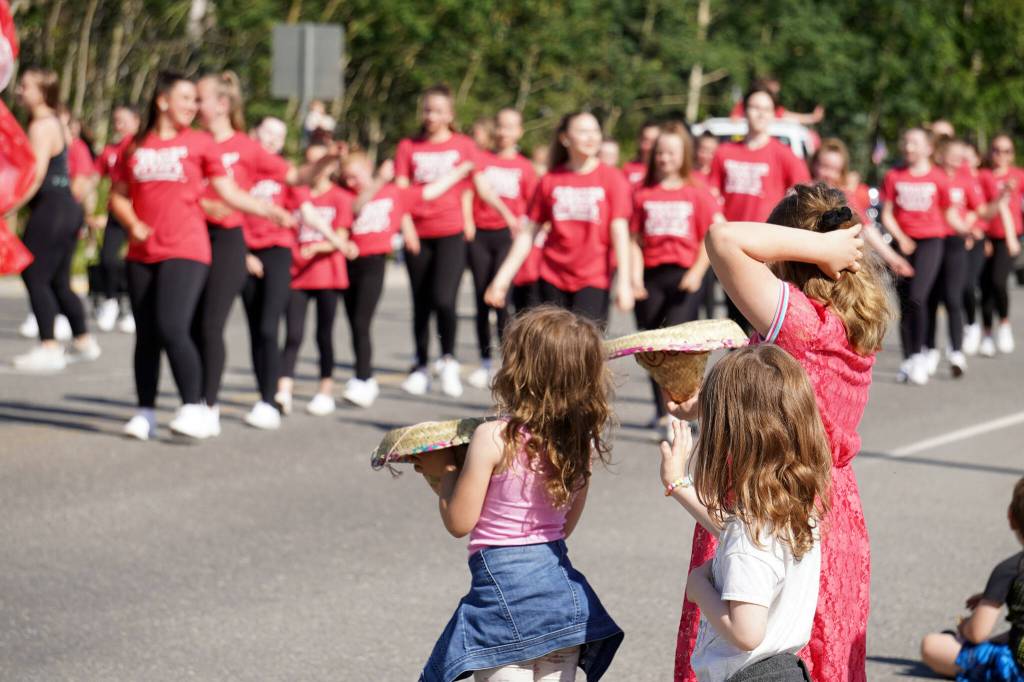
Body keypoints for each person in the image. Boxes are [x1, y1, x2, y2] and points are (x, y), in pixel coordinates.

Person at [672, 183, 894, 682]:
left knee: (746, 652)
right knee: (822, 653)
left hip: (770, 494)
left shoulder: (799, 320)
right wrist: (710, 405)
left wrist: (820, 247)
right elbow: (794, 403)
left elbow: (723, 239)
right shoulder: (851, 318)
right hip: (833, 505)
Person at [412, 306, 623, 682]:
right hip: (560, 597)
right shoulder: (580, 442)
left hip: (505, 597)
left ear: (518, 371)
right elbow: (563, 526)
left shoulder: (493, 437)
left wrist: (443, 472)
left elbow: (460, 522)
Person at [109, 71, 293, 441]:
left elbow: (227, 191)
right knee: (146, 335)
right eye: (186, 99)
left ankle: (195, 405)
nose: (193, 107)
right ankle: (145, 412)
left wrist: (264, 209)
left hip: (187, 248)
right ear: (162, 101)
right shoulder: (134, 145)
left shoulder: (201, 143)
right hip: (142, 251)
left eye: (196, 100)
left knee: (174, 325)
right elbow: (117, 194)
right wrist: (132, 223)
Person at [660, 345, 831, 681]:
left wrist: (698, 587)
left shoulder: (748, 535)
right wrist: (678, 485)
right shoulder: (793, 510)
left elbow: (746, 632)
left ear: (730, 440)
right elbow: (743, 539)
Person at [338, 151, 475, 408]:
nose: (352, 182)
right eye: (347, 178)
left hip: (373, 263)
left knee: (361, 321)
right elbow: (355, 206)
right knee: (353, 324)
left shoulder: (394, 193)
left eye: (355, 176)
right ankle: (362, 377)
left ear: (368, 166)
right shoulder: (347, 195)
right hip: (347, 265)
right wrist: (376, 181)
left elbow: (431, 191)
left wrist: (459, 172)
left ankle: (364, 378)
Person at [394, 84, 505, 399]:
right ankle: (419, 366)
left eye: (438, 110)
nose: (431, 116)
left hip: (451, 232)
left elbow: (482, 187)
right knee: (421, 303)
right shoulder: (408, 146)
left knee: (445, 299)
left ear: (450, 114)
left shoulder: (463, 146)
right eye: (427, 109)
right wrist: (407, 229)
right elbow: (401, 194)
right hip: (418, 233)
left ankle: (448, 360)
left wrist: (507, 214)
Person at [485, 111, 635, 326]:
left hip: (594, 278)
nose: (591, 137)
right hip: (552, 277)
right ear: (565, 138)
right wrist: (502, 278)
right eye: (583, 132)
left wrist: (624, 283)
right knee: (554, 352)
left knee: (586, 352)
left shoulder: (612, 179)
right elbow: (528, 233)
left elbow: (620, 233)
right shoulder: (550, 180)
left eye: (595, 131)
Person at [631, 122, 721, 431]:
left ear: (683, 154)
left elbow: (712, 234)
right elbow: (633, 238)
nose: (663, 158)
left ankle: (685, 411)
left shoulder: (696, 191)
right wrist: (633, 278)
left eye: (670, 152)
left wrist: (697, 272)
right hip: (651, 276)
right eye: (659, 152)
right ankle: (662, 412)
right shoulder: (642, 191)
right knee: (652, 348)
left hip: (684, 277)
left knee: (680, 349)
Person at [11, 67, 101, 372]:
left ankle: (48, 346)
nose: (20, 90)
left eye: (26, 86)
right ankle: (84, 340)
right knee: (59, 280)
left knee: (34, 274)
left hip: (52, 207)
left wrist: (9, 206)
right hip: (66, 207)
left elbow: (35, 175)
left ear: (42, 91)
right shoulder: (56, 121)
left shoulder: (42, 123)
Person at [707, 85, 811, 330]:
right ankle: (739, 367)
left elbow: (803, 195)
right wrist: (719, 221)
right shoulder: (725, 152)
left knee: (765, 320)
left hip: (768, 248)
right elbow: (712, 194)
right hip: (733, 244)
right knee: (736, 321)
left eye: (766, 109)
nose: (760, 114)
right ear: (744, 111)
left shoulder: (784, 154)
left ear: (774, 114)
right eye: (754, 107)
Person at [881, 128, 978, 385]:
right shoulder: (893, 175)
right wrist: (901, 238)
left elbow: (949, 214)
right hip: (904, 243)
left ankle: (922, 355)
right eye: (906, 141)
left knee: (918, 297)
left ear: (928, 149)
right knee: (904, 301)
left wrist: (965, 229)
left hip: (931, 242)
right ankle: (909, 358)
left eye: (915, 143)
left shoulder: (938, 178)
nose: (908, 146)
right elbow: (887, 214)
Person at [276, 146, 356, 417]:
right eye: (310, 161)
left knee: (324, 334)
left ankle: (324, 390)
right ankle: (283, 389)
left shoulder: (341, 197)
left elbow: (341, 235)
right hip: (298, 274)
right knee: (293, 334)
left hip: (327, 274)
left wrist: (320, 247)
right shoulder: (297, 193)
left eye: (321, 162)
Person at [920, 477, 1024, 680]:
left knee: (932, 645)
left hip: (1017, 667)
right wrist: (994, 595)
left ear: (1011, 517)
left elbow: (978, 632)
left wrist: (964, 626)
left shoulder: (1011, 569)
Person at [467, 108, 537, 389]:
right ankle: (484, 361)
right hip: (482, 235)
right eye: (500, 126)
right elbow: (470, 192)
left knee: (502, 301)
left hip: (509, 237)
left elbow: (534, 207)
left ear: (519, 132)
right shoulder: (481, 160)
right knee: (481, 299)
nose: (504, 132)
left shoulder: (525, 167)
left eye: (510, 127)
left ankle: (507, 361)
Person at [811, 137, 914, 277]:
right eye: (824, 167)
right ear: (814, 164)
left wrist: (893, 259)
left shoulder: (843, 196)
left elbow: (866, 227)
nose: (828, 174)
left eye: (835, 170)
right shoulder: (801, 193)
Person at [922, 137, 981, 377]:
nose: (959, 158)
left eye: (962, 154)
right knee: (930, 298)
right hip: (933, 242)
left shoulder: (966, 180)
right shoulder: (933, 177)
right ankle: (929, 350)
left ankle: (956, 352)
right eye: (954, 153)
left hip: (956, 243)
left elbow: (975, 209)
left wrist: (966, 227)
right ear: (941, 154)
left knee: (953, 297)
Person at [92, 105, 140, 333]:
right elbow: (93, 178)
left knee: (137, 261)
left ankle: (131, 307)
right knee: (108, 258)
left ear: (136, 120)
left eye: (123, 120)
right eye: (116, 120)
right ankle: (110, 300)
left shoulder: (143, 145)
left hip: (141, 213)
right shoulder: (109, 151)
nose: (118, 125)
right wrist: (92, 211)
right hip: (117, 212)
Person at [977, 134, 1023, 357]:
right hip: (986, 236)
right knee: (985, 285)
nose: (1001, 155)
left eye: (1006, 151)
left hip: (1009, 237)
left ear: (1012, 154)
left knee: (998, 281)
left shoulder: (1019, 176)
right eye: (996, 149)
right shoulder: (983, 176)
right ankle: (986, 333)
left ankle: (1004, 323)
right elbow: (979, 208)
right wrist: (982, 238)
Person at [728, 78, 824, 126]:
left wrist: (812, 118)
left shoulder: (774, 109)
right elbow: (734, 121)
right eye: (772, 93)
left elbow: (788, 116)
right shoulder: (744, 105)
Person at [622, 120, 661, 185]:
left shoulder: (665, 171)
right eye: (646, 141)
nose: (651, 146)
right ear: (639, 141)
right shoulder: (628, 169)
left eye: (654, 141)